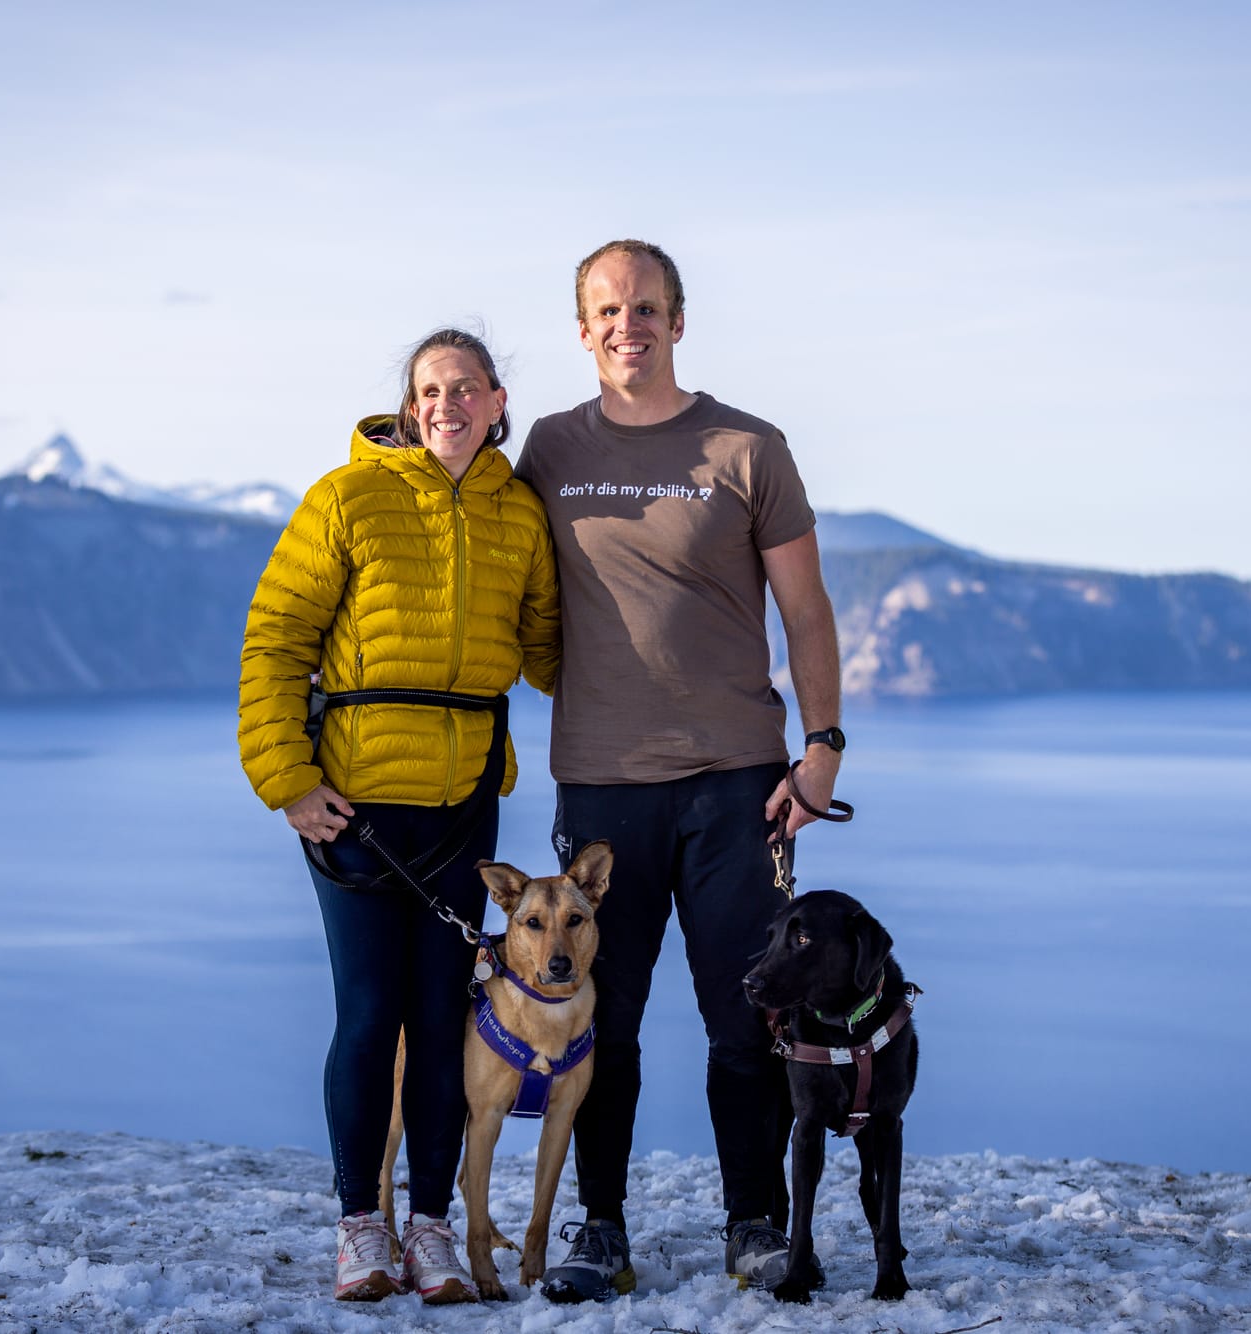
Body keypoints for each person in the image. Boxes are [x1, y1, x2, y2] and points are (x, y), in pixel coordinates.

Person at [512, 240, 846, 1301]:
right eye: (607, 310)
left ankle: (753, 1221)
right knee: (596, 1017)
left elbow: (805, 608)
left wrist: (822, 743)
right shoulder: (551, 448)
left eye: (646, 306)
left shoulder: (746, 446)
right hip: (601, 782)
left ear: (678, 318)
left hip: (734, 779)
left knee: (742, 1009)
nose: (628, 325)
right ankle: (596, 1224)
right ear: (581, 328)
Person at [238, 329, 558, 1304]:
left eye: (464, 388)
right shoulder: (346, 497)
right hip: (354, 809)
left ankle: (427, 1229)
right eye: (429, 389)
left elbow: (549, 649)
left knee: (440, 1014)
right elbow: (275, 637)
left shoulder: (521, 516)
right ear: (410, 403)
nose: (445, 404)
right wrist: (286, 776)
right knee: (370, 1012)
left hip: (462, 810)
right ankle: (358, 1227)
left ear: (496, 401)